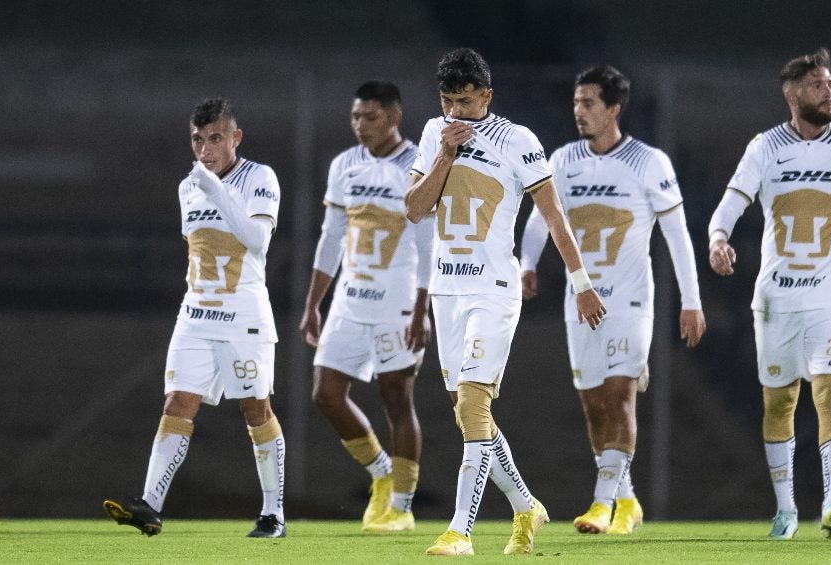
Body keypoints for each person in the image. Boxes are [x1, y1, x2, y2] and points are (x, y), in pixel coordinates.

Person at [405, 47, 606, 556]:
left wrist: (581, 283)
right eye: (448, 101)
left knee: (474, 403)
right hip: (447, 290)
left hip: (493, 289)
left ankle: (461, 531)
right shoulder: (434, 134)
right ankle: (525, 506)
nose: (457, 112)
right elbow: (414, 208)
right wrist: (445, 154)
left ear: (487, 96)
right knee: (467, 414)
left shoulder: (517, 140)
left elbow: (554, 216)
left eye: (466, 101)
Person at [707, 48, 831, 540]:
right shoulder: (765, 147)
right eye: (817, 85)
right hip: (776, 299)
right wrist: (717, 239)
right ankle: (786, 510)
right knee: (779, 404)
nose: (828, 92)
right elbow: (732, 200)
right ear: (792, 95)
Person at [520, 65, 706, 536]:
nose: (578, 111)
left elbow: (677, 235)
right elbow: (542, 219)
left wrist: (691, 300)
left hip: (629, 301)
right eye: (576, 102)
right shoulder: (563, 160)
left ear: (614, 109)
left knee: (619, 396)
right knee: (593, 406)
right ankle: (626, 500)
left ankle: (601, 503)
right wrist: (527, 263)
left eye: (588, 103)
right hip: (579, 300)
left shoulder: (649, 162)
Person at [103, 98, 287, 538]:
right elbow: (198, 249)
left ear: (236, 138)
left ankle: (273, 514)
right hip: (196, 314)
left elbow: (257, 241)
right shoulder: (188, 187)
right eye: (198, 139)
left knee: (256, 408)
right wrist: (205, 186)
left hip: (243, 314)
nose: (205, 149)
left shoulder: (259, 178)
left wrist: (216, 190)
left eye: (215, 138)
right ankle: (150, 505)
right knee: (177, 403)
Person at [299, 81, 431, 532]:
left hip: (398, 301)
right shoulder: (344, 164)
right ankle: (381, 472)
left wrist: (422, 307)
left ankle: (403, 507)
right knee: (326, 394)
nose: (360, 124)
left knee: (397, 398)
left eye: (370, 116)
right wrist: (313, 304)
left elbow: (428, 242)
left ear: (394, 117)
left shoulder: (419, 164)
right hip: (350, 299)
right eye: (355, 116)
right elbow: (331, 236)